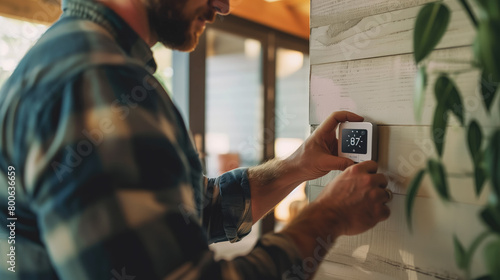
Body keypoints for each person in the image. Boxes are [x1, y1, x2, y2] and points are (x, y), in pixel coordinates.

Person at [0, 0, 391, 279]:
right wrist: (329, 217)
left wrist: (296, 167)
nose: (223, 6)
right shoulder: (97, 83)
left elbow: (197, 211)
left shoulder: (74, 59)